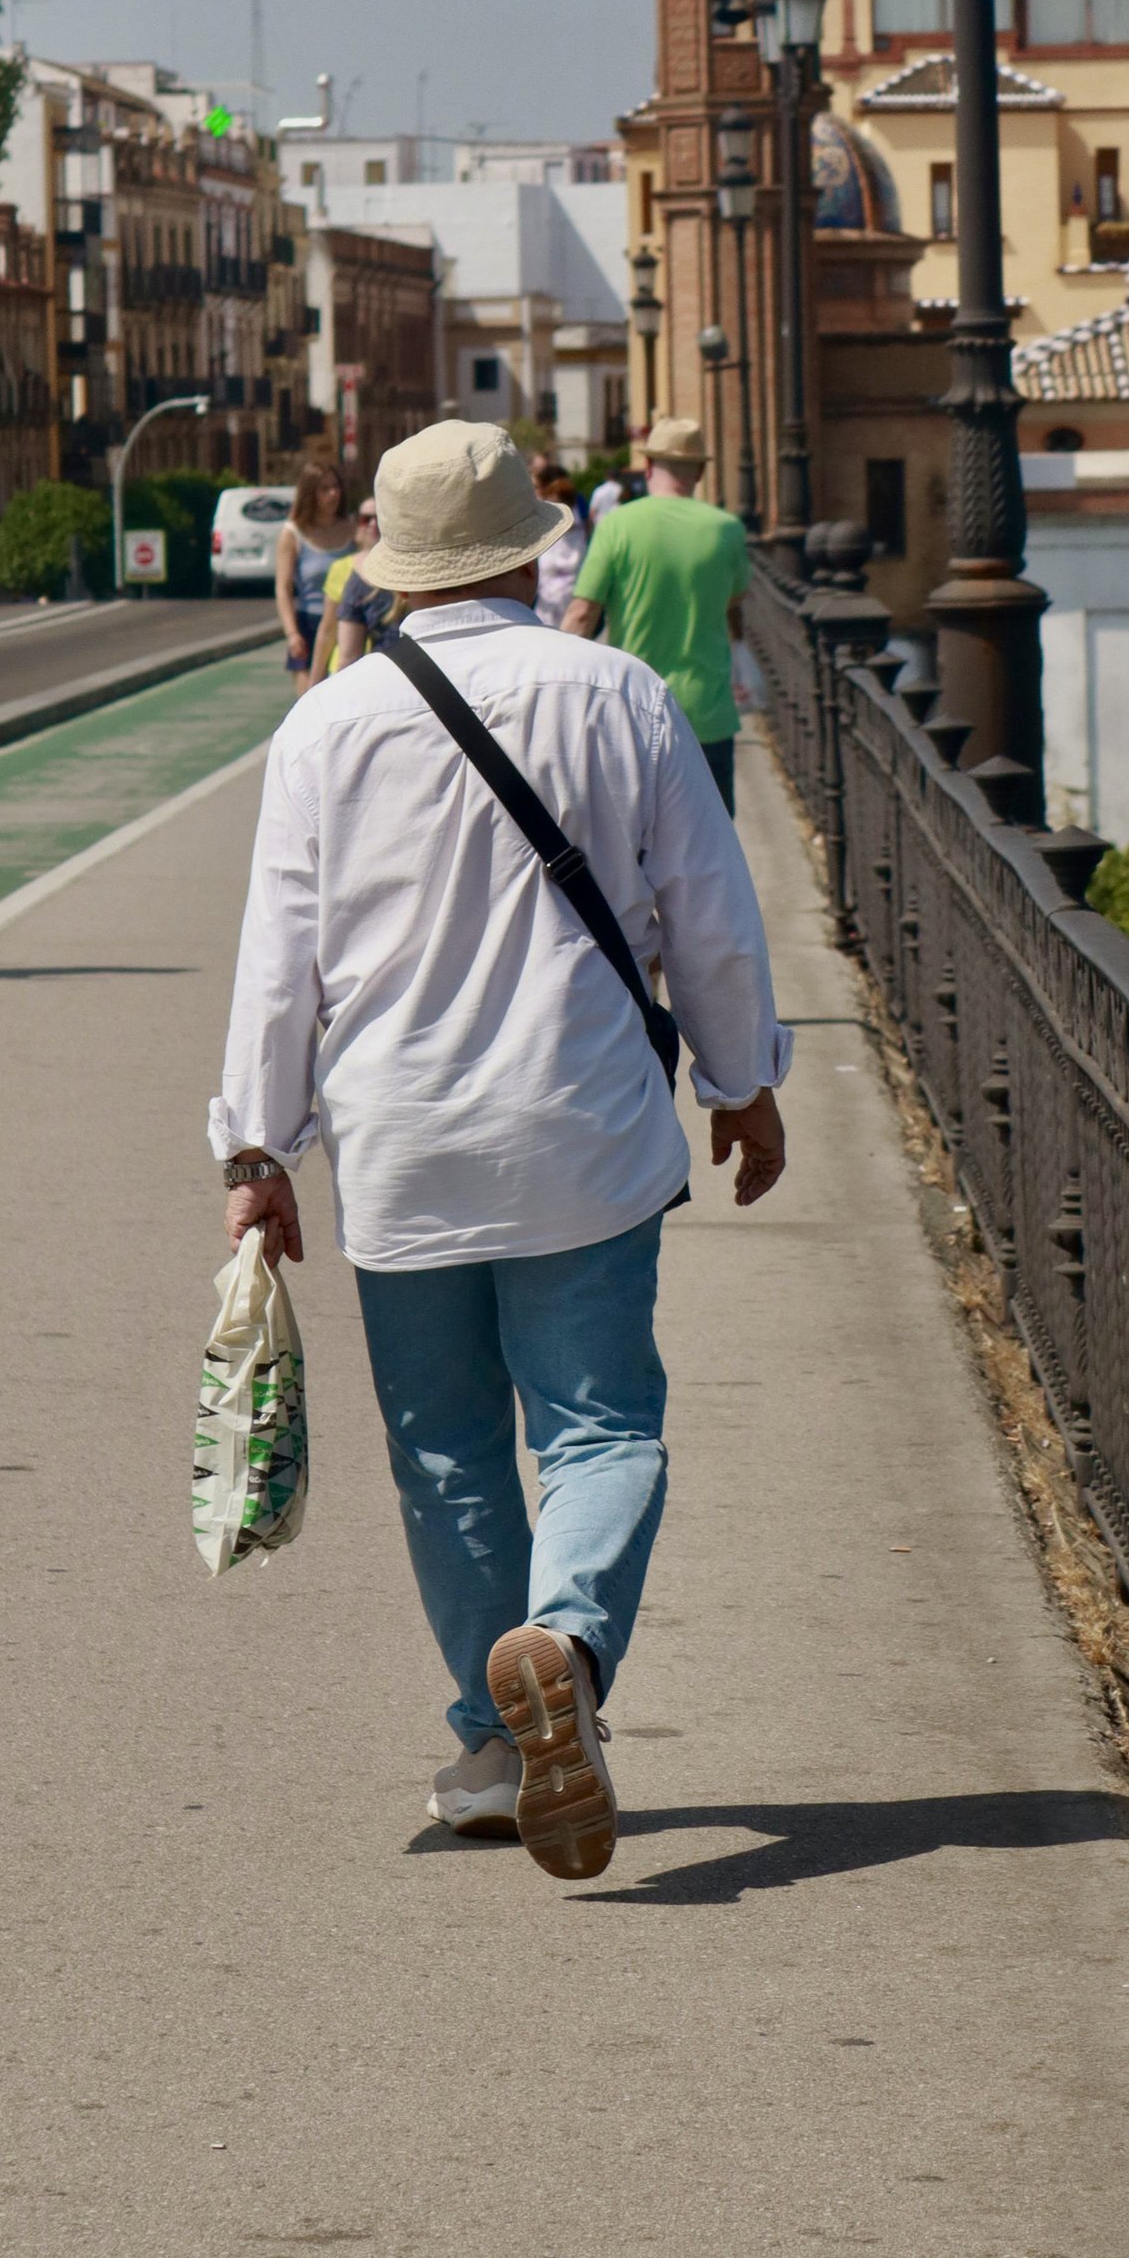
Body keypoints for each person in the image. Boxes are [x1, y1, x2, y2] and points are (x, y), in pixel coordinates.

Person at [212, 419, 790, 1883]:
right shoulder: (622, 696)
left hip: (399, 1143)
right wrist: (744, 1080)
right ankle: (570, 1649)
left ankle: (491, 1733)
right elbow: (705, 908)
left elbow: (281, 958)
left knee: (444, 1443)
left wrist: (257, 1144)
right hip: (583, 1122)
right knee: (599, 1425)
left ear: (390, 566)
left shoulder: (327, 724)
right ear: (539, 544)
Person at [564, 413, 752, 815]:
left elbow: (582, 613)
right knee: (710, 854)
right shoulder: (726, 529)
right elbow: (734, 602)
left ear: (648, 467)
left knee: (636, 851)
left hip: (634, 714)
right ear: (700, 471)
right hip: (708, 714)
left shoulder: (618, 526)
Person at [272, 454, 356, 690]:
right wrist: (292, 633)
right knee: (309, 703)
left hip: (348, 621)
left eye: (336, 487)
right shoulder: (293, 533)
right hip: (309, 623)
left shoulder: (352, 531)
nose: (333, 494)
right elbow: (283, 588)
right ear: (310, 494)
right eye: (325, 489)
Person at [321, 501, 403, 673]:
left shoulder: (408, 569)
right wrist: (314, 680)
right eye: (366, 519)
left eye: (378, 518)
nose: (373, 524)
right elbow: (328, 629)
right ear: (357, 524)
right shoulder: (345, 569)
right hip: (359, 667)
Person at [531, 455, 587, 626]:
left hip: (551, 586)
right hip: (573, 581)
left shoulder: (545, 511)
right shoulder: (579, 504)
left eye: (536, 487)